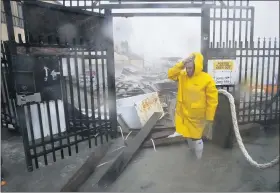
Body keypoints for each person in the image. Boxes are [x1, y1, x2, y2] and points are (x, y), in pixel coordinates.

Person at [167, 52, 218, 159]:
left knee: (196, 138)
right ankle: (191, 154)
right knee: (187, 135)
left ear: (197, 66)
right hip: (183, 114)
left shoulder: (206, 79)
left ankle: (198, 160)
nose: (188, 70)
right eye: (186, 68)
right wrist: (181, 64)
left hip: (197, 116)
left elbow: (212, 100)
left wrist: (209, 118)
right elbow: (170, 74)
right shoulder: (182, 76)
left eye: (190, 68)